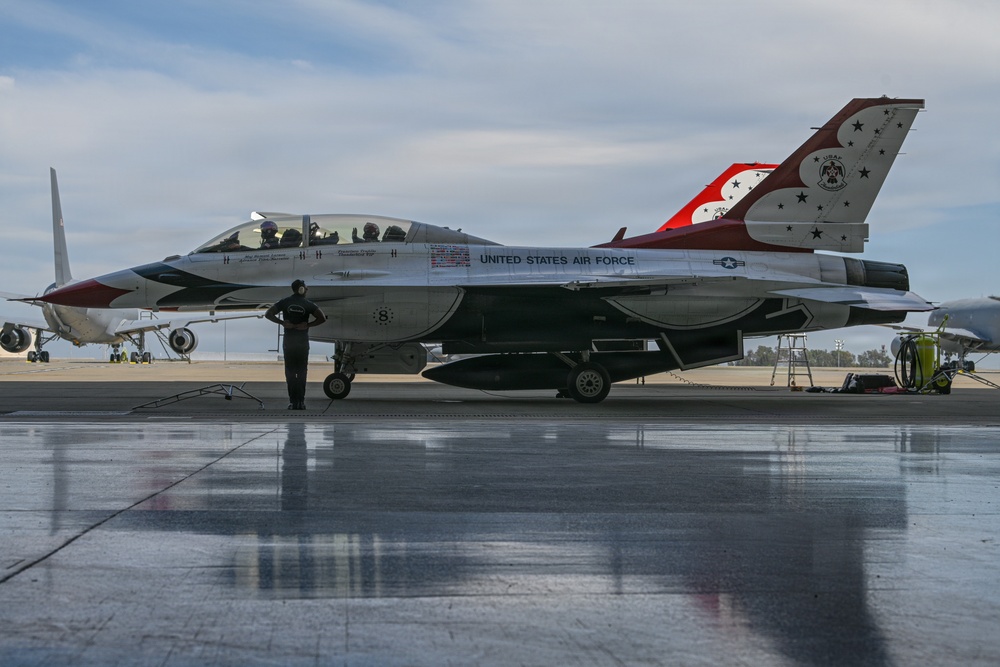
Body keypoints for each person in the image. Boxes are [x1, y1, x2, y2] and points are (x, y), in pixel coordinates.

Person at [265, 280, 327, 410]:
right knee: (302, 372)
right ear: (302, 289)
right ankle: (301, 402)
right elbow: (322, 318)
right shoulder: (308, 304)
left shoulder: (285, 302)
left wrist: (282, 322)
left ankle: (293, 402)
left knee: (290, 372)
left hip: (289, 342)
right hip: (302, 342)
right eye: (306, 288)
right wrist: (307, 325)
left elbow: (268, 314)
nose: (307, 289)